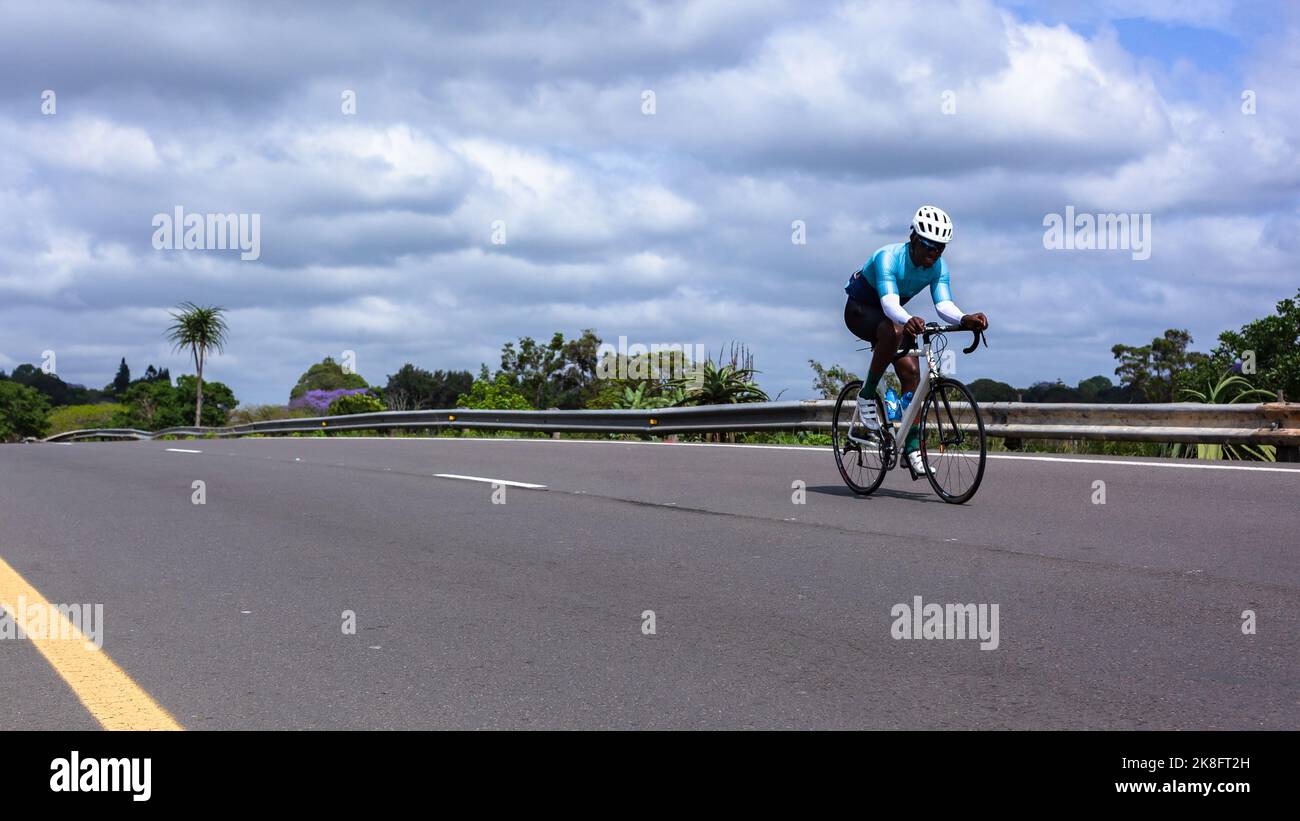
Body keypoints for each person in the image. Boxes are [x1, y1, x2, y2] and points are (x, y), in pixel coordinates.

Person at [843, 205, 988, 478]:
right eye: (928, 246)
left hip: (892, 315)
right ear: (913, 239)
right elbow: (888, 303)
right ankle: (866, 395)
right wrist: (908, 319)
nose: (933, 254)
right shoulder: (888, 258)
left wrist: (965, 318)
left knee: (912, 374)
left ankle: (911, 450)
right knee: (894, 332)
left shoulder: (938, 267)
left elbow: (944, 303)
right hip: (860, 310)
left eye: (940, 248)